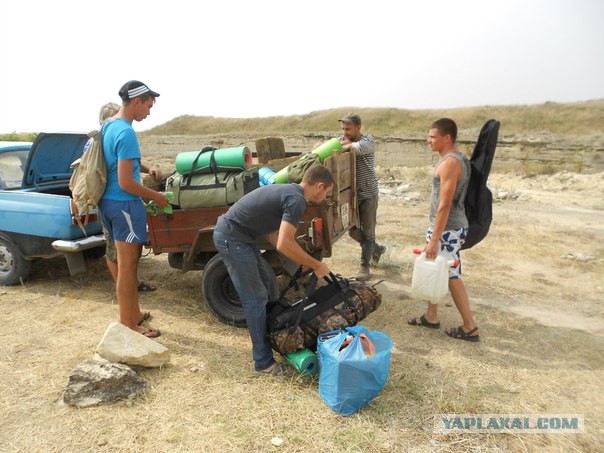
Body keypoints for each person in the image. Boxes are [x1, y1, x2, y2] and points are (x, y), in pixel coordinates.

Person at [213, 165, 334, 376]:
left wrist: (298, 261)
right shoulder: (296, 200)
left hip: (241, 237)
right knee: (255, 298)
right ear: (320, 186)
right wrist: (316, 265)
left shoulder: (289, 192)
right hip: (232, 238)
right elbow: (283, 243)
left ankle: (275, 340)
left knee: (269, 288)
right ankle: (263, 363)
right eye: (327, 193)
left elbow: (273, 235)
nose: (325, 198)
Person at [98, 81, 169, 338]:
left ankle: (133, 314)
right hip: (124, 204)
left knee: (127, 266)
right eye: (148, 106)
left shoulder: (108, 126)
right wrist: (156, 197)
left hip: (107, 202)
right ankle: (129, 325)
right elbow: (127, 182)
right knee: (128, 269)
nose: (148, 113)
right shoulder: (126, 132)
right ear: (137, 101)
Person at [407, 118, 480, 342]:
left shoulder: (449, 163)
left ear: (446, 138)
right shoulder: (459, 159)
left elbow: (445, 204)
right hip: (451, 227)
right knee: (440, 270)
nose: (428, 140)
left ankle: (470, 327)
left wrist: (434, 238)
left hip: (447, 229)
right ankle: (431, 316)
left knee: (450, 275)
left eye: (432, 136)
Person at [97, 102, 162, 296]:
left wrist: (148, 167)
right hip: (119, 202)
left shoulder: (113, 134)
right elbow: (125, 181)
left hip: (117, 202)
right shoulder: (112, 135)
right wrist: (155, 196)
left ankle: (130, 285)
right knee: (115, 251)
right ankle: (124, 288)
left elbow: (129, 161)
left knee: (129, 256)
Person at [337, 113, 385, 281]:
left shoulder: (368, 142)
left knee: (369, 232)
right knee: (351, 230)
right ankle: (376, 249)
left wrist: (341, 145)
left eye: (348, 129)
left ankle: (365, 266)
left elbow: (351, 149)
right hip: (351, 195)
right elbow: (323, 145)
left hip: (368, 193)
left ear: (358, 127)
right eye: (342, 129)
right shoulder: (341, 138)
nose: (344, 132)